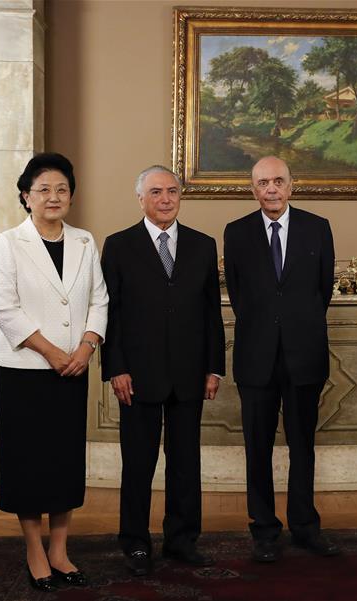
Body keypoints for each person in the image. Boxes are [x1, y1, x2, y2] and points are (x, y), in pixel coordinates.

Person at [0, 152, 108, 591]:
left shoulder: (83, 241)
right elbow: (5, 308)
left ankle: (60, 549)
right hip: (26, 369)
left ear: (71, 196)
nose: (53, 196)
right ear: (26, 196)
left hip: (75, 368)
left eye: (61, 189)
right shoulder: (8, 242)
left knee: (64, 459)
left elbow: (100, 299)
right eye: (43, 189)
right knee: (29, 461)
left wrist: (86, 346)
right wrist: (53, 353)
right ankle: (34, 549)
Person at [100, 165, 225, 576]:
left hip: (190, 373)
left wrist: (214, 367)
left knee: (185, 461)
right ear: (140, 198)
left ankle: (182, 539)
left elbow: (211, 314)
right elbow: (111, 313)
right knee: (138, 462)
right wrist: (115, 367)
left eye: (172, 191)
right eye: (156, 192)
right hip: (136, 375)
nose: (166, 199)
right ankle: (135, 542)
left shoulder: (203, 245)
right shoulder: (119, 246)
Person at [223, 156, 339, 563]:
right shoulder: (236, 234)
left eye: (278, 181)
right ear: (252, 189)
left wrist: (294, 327)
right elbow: (239, 296)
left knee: (302, 446)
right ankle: (265, 529)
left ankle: (305, 526)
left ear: (291, 185)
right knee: (257, 447)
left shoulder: (317, 228)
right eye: (262, 183)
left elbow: (321, 292)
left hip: (304, 355)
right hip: (256, 357)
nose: (270, 189)